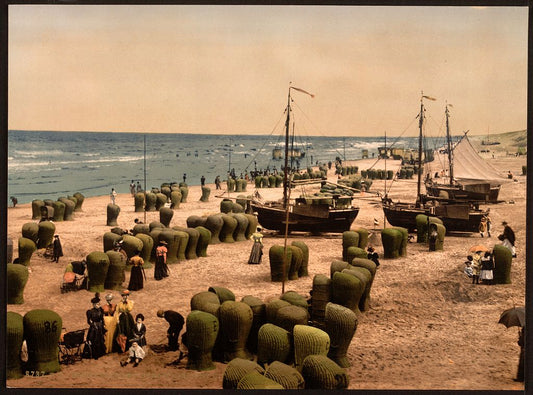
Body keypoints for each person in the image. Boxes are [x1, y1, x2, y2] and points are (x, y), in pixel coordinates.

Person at [84, 293, 107, 359]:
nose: (98, 305)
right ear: (93, 305)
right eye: (97, 304)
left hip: (99, 327)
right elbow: (88, 321)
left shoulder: (101, 310)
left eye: (99, 304)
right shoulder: (90, 312)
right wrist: (93, 325)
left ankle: (100, 353)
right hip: (94, 328)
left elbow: (102, 319)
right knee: (94, 340)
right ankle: (94, 354)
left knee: (100, 340)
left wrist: (103, 325)